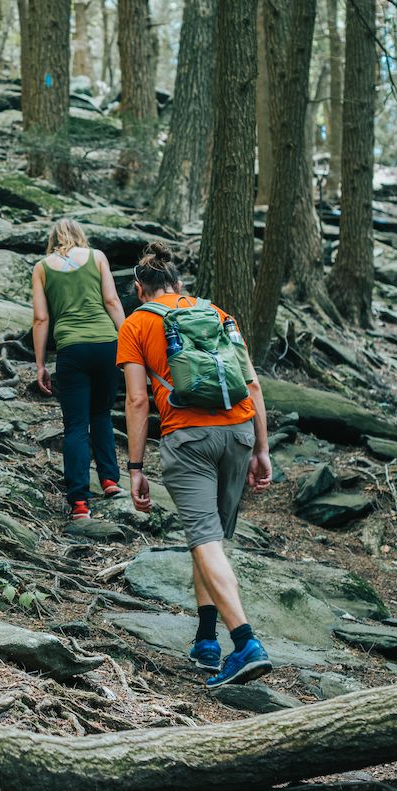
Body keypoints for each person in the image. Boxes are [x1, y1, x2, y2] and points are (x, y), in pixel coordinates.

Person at [116, 242, 274, 688]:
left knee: (205, 541)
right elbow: (253, 384)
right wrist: (262, 450)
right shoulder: (220, 314)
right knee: (211, 540)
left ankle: (244, 643)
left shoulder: (136, 323)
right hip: (239, 433)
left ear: (139, 288)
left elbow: (136, 399)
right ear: (179, 284)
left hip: (189, 438)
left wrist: (134, 466)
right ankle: (207, 641)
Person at [32, 219, 127, 521]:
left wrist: (40, 364)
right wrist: (127, 342)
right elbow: (111, 300)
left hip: (71, 349)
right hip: (105, 345)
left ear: (53, 240)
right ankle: (110, 480)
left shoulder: (42, 268)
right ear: (80, 236)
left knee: (75, 425)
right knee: (101, 413)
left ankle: (79, 503)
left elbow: (41, 319)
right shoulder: (97, 257)